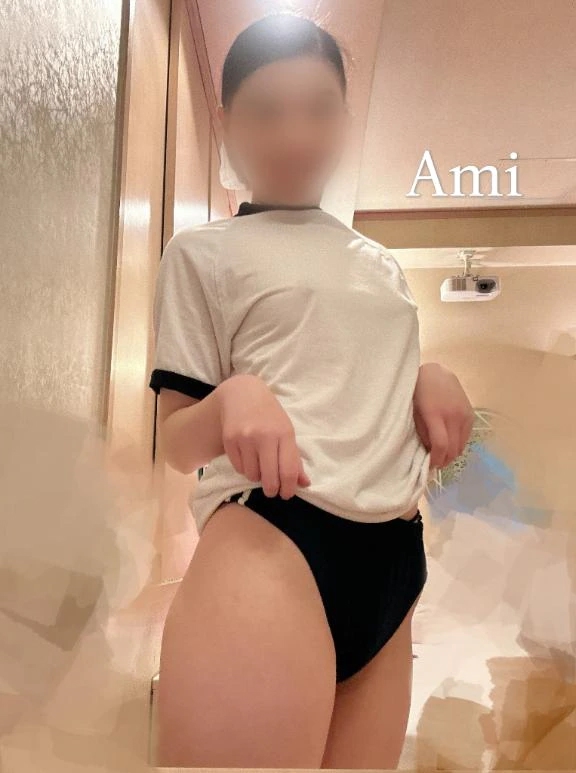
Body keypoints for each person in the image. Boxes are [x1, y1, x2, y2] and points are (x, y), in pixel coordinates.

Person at [148, 13, 474, 769]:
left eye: (318, 109)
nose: (295, 136)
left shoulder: (381, 265)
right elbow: (176, 443)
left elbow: (350, 391)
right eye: (267, 112)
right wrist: (230, 399)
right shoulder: (202, 252)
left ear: (345, 118)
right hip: (275, 539)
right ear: (226, 123)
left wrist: (426, 378)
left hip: (394, 554)